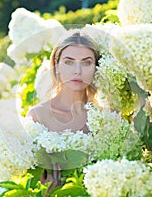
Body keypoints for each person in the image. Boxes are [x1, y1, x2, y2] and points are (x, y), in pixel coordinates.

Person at [26, 29, 100, 193]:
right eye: (69, 62)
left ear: (96, 68)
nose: (77, 71)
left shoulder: (105, 117)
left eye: (86, 62)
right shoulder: (37, 117)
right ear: (56, 66)